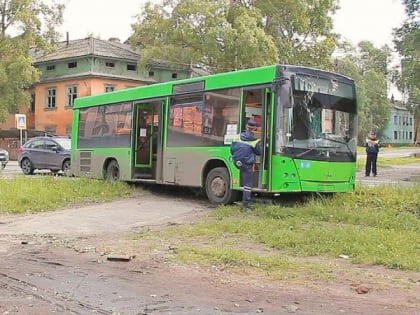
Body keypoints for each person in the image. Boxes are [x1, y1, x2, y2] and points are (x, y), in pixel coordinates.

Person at [230, 120, 262, 210]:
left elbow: (232, 149)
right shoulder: (255, 141)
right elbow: (259, 152)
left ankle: (243, 199)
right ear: (254, 129)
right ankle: (246, 205)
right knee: (247, 184)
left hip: (237, 162)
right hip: (247, 164)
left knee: (243, 180)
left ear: (246, 127)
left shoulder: (236, 137)